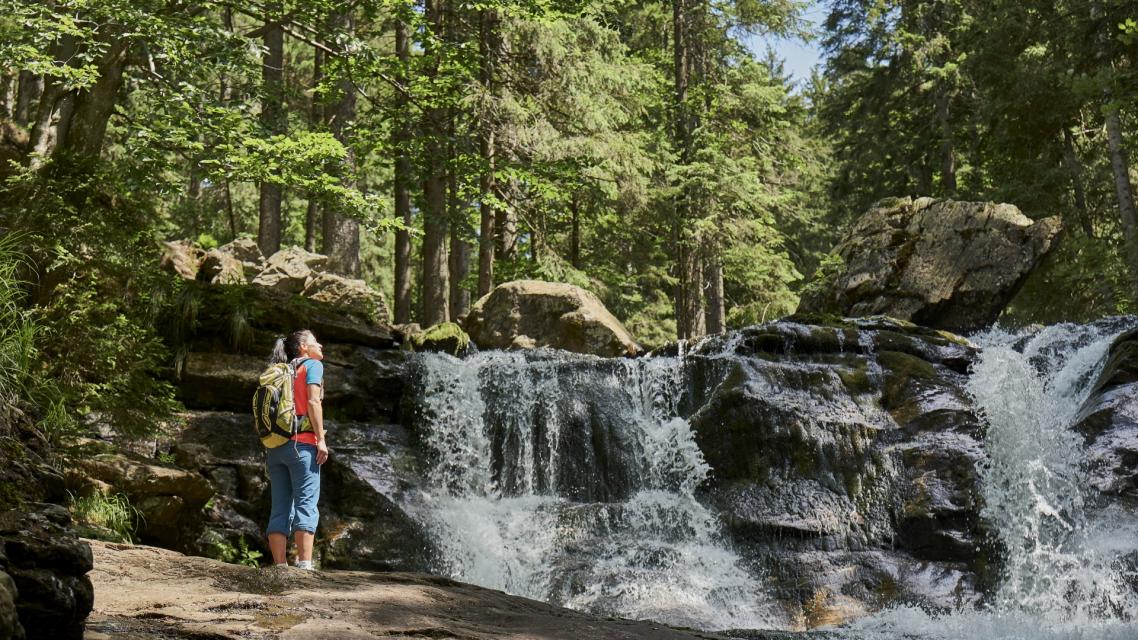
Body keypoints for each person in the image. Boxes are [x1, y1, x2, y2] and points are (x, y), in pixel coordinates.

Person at [265, 329, 329, 570]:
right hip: (302, 445)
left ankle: (280, 569)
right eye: (315, 341)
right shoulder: (312, 366)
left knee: (280, 507)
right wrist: (320, 439)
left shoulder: (280, 372)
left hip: (276, 447)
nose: (320, 345)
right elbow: (313, 401)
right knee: (306, 503)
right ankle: (304, 567)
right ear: (303, 347)